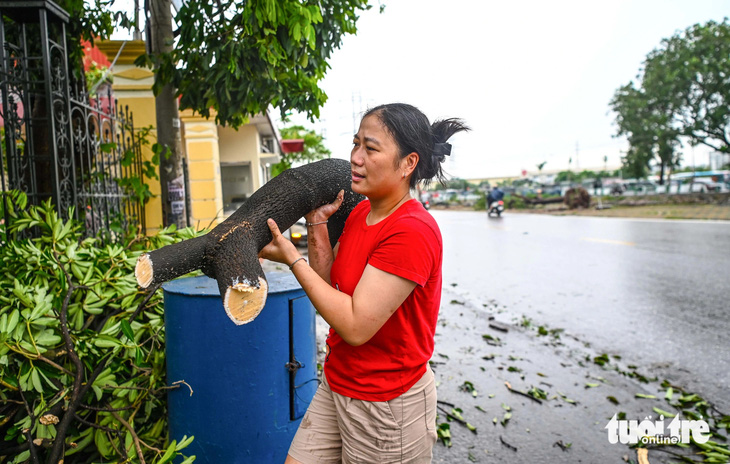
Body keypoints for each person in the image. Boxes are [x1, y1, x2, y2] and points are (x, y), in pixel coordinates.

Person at [258, 103, 468, 464]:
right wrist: (317, 227)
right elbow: (330, 288)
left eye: (370, 149)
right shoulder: (360, 213)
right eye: (355, 144)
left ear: (408, 163)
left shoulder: (411, 231)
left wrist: (292, 258)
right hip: (340, 381)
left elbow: (355, 326)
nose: (355, 157)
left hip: (387, 405)